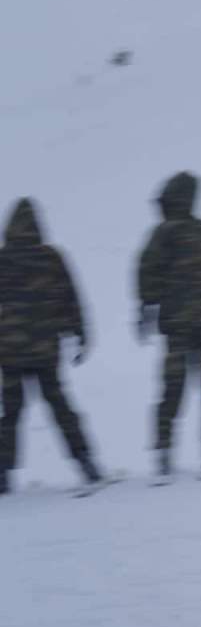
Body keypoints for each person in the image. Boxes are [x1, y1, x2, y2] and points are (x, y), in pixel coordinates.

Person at [0, 198, 102, 494]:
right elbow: (70, 297)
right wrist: (79, 333)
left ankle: (2, 473)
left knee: (11, 413)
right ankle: (86, 462)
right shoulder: (51, 257)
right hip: (45, 349)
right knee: (60, 406)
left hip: (9, 351)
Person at [136, 172, 201, 478]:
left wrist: (145, 308)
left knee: (171, 390)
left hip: (176, 326)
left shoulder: (163, 233)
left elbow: (147, 272)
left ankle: (163, 451)